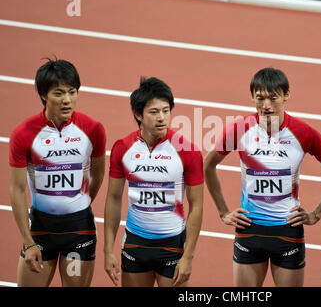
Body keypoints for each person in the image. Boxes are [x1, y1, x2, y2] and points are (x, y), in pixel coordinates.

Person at [204, 67, 321, 287]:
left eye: (273, 97)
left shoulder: (303, 133)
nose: (266, 105)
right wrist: (223, 211)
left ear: (286, 95)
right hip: (249, 229)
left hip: (288, 231)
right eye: (260, 98)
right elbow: (208, 165)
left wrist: (316, 214)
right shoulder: (240, 129)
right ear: (252, 97)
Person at [9, 58, 106, 287]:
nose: (67, 100)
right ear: (44, 95)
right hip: (41, 231)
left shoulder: (93, 129)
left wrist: (80, 202)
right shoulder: (24, 134)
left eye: (72, 92)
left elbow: (98, 174)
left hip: (79, 231)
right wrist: (28, 241)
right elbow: (16, 189)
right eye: (59, 93)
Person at [103, 76, 203, 287]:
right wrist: (108, 250)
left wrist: (188, 257)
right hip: (135, 243)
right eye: (154, 112)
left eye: (166, 111)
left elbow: (197, 205)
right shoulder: (122, 148)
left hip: (172, 245)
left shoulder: (188, 150)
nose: (162, 118)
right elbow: (113, 199)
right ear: (138, 114)